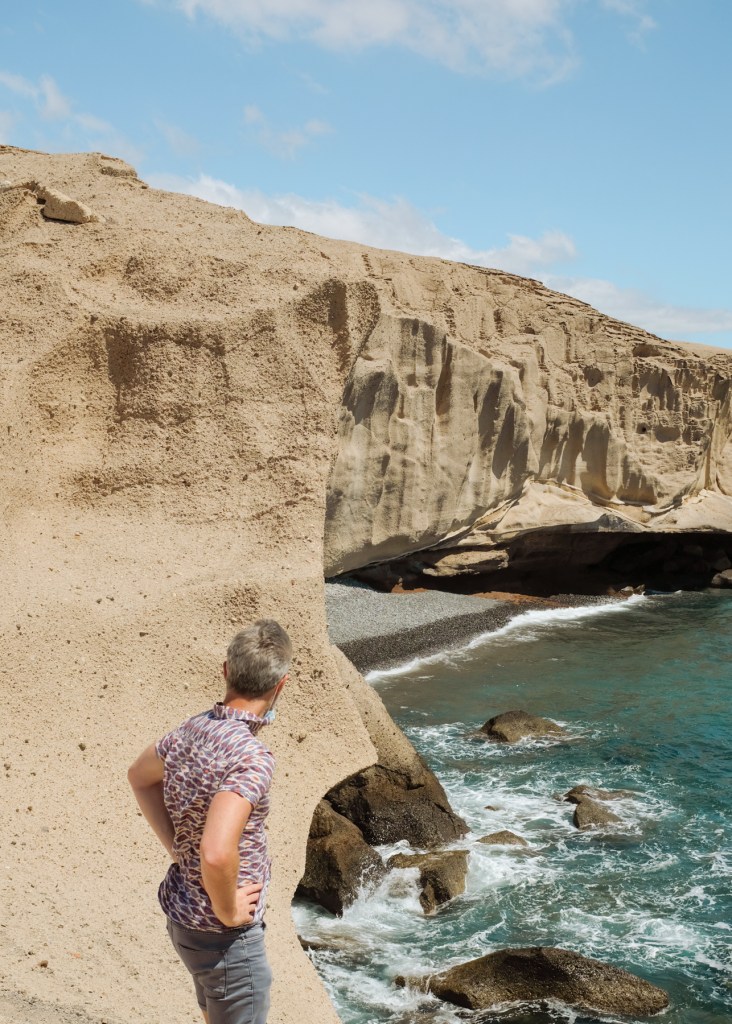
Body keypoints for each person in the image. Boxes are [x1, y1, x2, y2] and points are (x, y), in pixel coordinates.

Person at [128, 619, 291, 1024]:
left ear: (226, 671)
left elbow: (139, 777)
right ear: (280, 685)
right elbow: (217, 853)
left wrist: (177, 850)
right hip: (224, 937)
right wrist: (230, 910)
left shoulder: (190, 730)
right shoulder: (250, 758)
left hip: (184, 919)